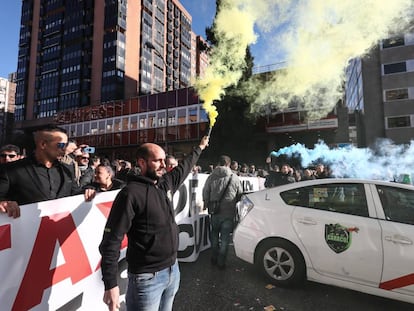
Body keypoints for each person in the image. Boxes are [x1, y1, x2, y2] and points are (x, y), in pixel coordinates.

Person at [99, 136, 209, 311]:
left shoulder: (165, 183)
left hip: (173, 270)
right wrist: (110, 284)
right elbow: (111, 241)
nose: (164, 165)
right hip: (146, 280)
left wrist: (200, 147)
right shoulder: (129, 195)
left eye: (164, 160)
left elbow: (185, 166)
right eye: (158, 161)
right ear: (142, 163)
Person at [0, 126, 94, 218]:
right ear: (43, 144)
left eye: (65, 145)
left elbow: (74, 193)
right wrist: (4, 203)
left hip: (59, 229)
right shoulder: (11, 170)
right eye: (61, 145)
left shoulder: (67, 169)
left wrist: (88, 190)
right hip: (24, 230)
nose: (64, 149)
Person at [202, 155, 243, 270]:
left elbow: (205, 191)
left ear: (218, 163)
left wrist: (206, 203)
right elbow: (240, 193)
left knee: (214, 234)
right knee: (225, 237)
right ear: (229, 164)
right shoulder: (234, 177)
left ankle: (213, 258)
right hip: (229, 211)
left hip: (214, 211)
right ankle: (221, 262)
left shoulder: (211, 176)